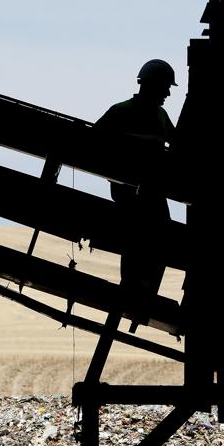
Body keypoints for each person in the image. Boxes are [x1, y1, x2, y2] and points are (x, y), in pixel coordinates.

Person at [94, 59, 178, 328]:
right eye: (165, 87)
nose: (167, 93)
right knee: (150, 238)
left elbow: (89, 144)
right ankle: (140, 293)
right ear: (152, 85)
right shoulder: (137, 114)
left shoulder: (133, 113)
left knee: (141, 241)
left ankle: (137, 292)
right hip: (137, 194)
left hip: (135, 193)